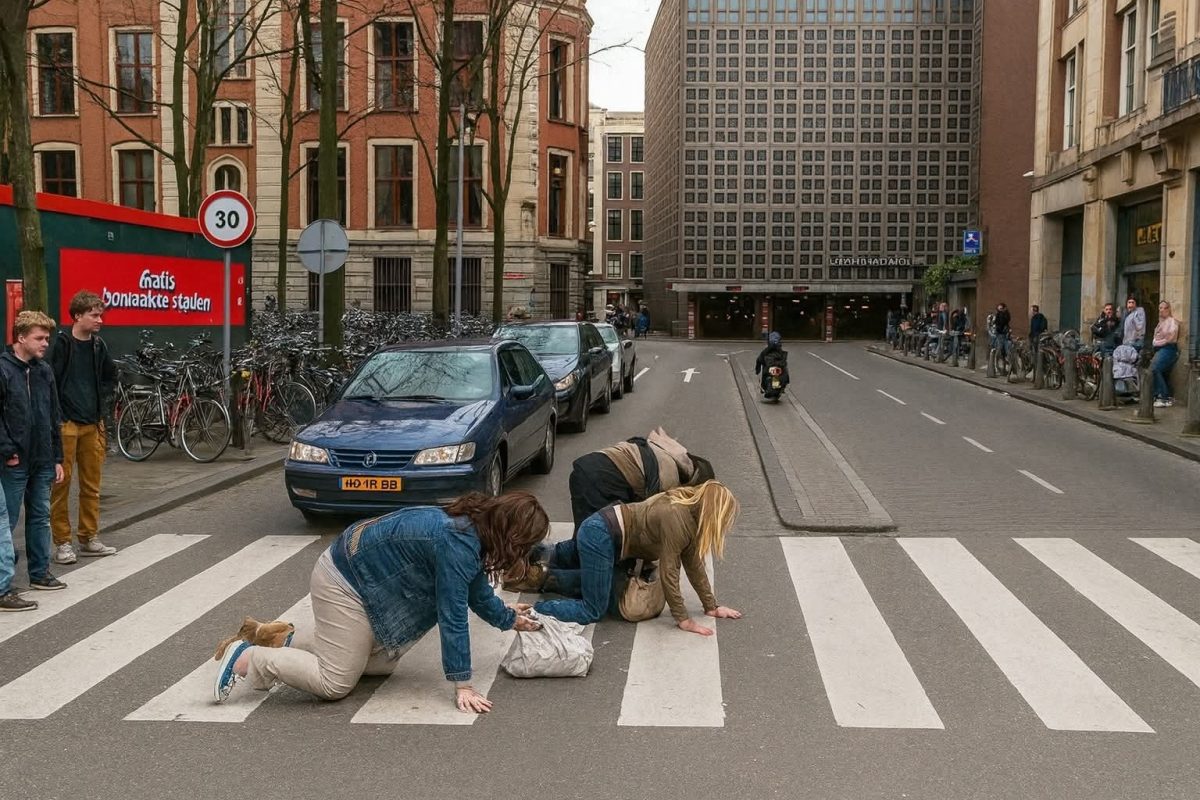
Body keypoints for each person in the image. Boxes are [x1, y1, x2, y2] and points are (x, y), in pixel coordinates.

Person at [213, 492, 549, 713]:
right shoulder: (458, 542)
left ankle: (283, 638)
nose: (525, 551)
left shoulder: (475, 528)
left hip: (362, 579)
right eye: (527, 543)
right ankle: (248, 658)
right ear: (513, 536)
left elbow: (475, 590)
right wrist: (463, 684)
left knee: (380, 664)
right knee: (335, 683)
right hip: (345, 582)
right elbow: (453, 614)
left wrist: (507, 618)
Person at [531, 481, 744, 636]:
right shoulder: (677, 518)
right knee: (593, 609)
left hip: (605, 533)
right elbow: (669, 571)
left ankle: (536, 570)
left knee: (585, 576)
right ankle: (533, 612)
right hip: (601, 535)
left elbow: (694, 564)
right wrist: (683, 619)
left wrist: (711, 606)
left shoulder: (689, 518)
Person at [0, 311, 68, 611]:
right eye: (40, 338)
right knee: (8, 520)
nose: (45, 343)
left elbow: (54, 416)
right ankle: (6, 578)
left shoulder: (44, 371)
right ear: (21, 337)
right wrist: (8, 451)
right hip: (14, 460)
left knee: (40, 515)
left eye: (47, 338)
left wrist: (57, 457)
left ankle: (39, 573)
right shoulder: (3, 370)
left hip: (41, 458)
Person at [48, 291, 118, 565]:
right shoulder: (62, 344)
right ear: (78, 316)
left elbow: (110, 376)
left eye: (100, 314)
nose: (100, 320)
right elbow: (51, 380)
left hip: (92, 423)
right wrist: (60, 413)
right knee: (61, 486)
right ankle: (63, 542)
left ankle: (89, 537)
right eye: (94, 315)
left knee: (92, 485)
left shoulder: (99, 346)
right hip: (66, 423)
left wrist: (101, 403)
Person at [565, 428, 715, 531]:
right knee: (598, 547)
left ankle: (548, 565)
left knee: (582, 538)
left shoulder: (662, 452)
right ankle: (552, 574)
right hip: (598, 482)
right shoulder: (668, 477)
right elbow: (646, 518)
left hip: (586, 470)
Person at [1150, 300, 1180, 408]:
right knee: (1161, 371)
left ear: (1168, 309)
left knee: (1156, 368)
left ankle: (1163, 396)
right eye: (1160, 308)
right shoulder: (1160, 323)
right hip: (1160, 349)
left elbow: (1171, 338)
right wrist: (1157, 342)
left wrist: (1159, 342)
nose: (1161, 310)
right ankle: (1163, 394)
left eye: (1163, 308)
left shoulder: (1172, 322)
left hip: (1169, 349)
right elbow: (1155, 338)